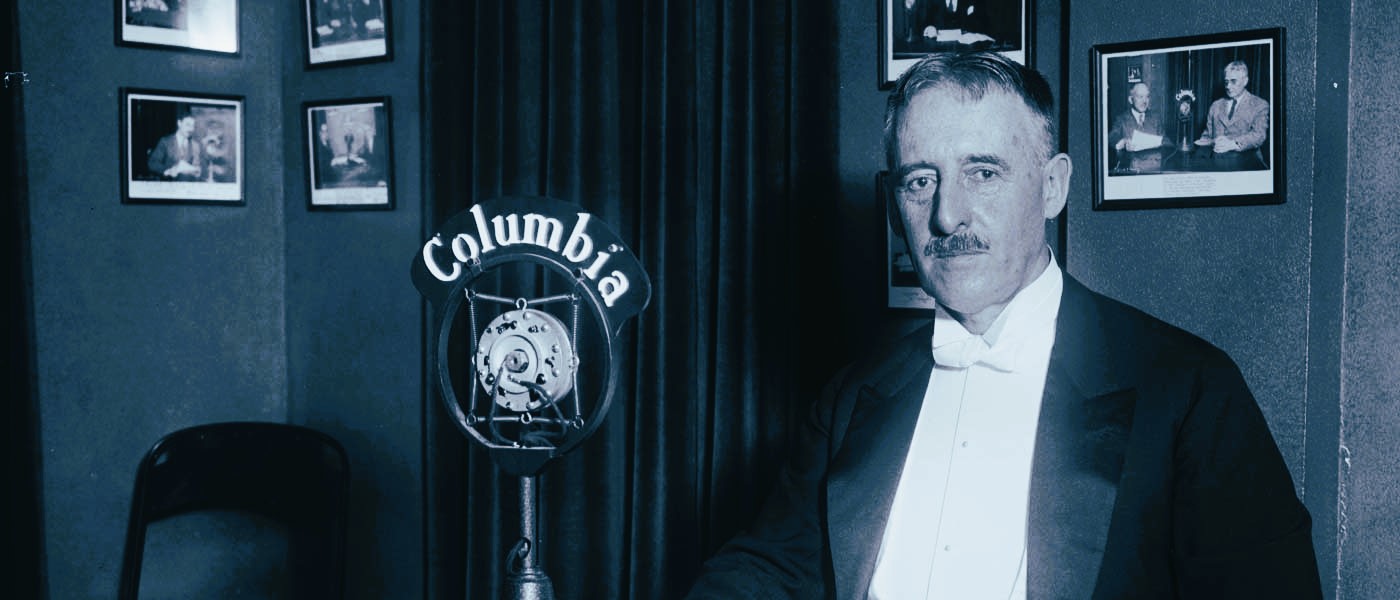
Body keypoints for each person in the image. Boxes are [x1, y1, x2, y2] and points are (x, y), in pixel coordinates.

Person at [686, 50, 1320, 599]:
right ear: (892, 204)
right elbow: (770, 567)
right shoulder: (852, 396)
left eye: (981, 173)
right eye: (920, 181)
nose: (945, 216)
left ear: (1052, 187)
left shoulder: (1189, 391)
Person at [1195, 60, 1269, 157]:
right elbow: (1207, 135)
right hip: (1216, 160)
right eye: (1226, 82)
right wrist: (1204, 142)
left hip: (1247, 161)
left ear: (1245, 81)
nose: (1228, 86)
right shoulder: (1216, 105)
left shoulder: (1260, 105)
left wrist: (1233, 144)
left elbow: (1259, 135)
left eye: (1233, 81)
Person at [146, 112, 203, 181]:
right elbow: (152, 163)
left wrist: (197, 170)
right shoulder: (165, 142)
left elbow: (197, 167)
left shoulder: (195, 145)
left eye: (193, 126)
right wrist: (169, 170)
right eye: (188, 125)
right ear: (179, 123)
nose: (191, 129)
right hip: (168, 185)